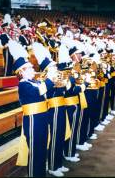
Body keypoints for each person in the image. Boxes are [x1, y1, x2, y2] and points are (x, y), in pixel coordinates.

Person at [8, 40, 56, 177]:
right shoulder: (23, 85)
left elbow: (47, 93)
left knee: (41, 150)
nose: (33, 69)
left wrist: (53, 82)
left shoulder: (34, 82)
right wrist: (50, 79)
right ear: (21, 72)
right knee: (35, 152)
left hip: (41, 119)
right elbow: (39, 92)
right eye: (29, 68)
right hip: (33, 121)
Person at [32, 42, 70, 177]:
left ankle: (58, 164)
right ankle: (53, 166)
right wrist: (52, 80)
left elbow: (65, 90)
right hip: (53, 109)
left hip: (60, 107)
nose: (56, 67)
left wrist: (65, 81)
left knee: (60, 136)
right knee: (54, 138)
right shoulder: (44, 80)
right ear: (47, 69)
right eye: (53, 66)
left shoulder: (55, 78)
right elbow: (46, 94)